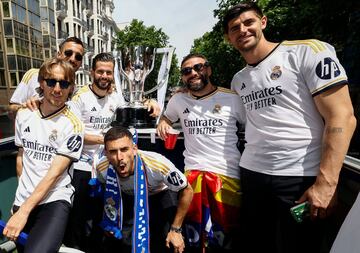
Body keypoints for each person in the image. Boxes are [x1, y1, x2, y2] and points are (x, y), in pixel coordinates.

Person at [223, 2, 357, 253]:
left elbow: (343, 117)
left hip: (299, 179)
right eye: (234, 28)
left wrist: (326, 184)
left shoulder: (307, 51)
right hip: (253, 176)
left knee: (300, 246)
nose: (242, 30)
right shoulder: (238, 79)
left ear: (263, 22)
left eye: (248, 22)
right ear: (229, 37)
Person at [64, 52, 160, 252]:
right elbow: (74, 134)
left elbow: (133, 109)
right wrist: (104, 141)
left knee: (108, 211)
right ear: (92, 72)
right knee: (82, 213)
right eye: (100, 71)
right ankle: (77, 246)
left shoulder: (115, 97)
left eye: (109, 72)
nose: (104, 76)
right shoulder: (79, 97)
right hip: (84, 163)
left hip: (110, 162)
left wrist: (150, 102)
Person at [157, 53, 245, 252]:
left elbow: (252, 126)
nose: (193, 73)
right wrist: (163, 121)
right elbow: (167, 117)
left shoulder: (232, 98)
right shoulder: (178, 100)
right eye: (187, 71)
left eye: (199, 67)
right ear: (183, 77)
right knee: (194, 239)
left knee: (226, 239)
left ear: (209, 69)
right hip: (192, 177)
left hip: (227, 176)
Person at [2, 57, 84, 253]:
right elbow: (21, 157)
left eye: (64, 83)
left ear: (71, 88)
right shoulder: (24, 114)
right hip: (24, 198)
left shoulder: (73, 124)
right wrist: (19, 199)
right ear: (41, 83)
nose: (57, 89)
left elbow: (53, 175)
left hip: (53, 200)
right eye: (51, 82)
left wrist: (23, 212)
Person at [95, 126, 193, 253]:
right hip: (128, 199)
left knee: (167, 242)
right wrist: (109, 219)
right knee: (121, 242)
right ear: (106, 154)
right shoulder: (102, 168)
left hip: (160, 197)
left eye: (124, 149)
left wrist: (176, 229)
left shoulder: (157, 164)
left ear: (135, 149)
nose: (119, 157)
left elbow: (187, 190)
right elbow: (103, 192)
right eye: (113, 151)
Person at [9, 37, 84, 113]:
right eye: (68, 53)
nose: (73, 59)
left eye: (78, 57)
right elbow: (11, 108)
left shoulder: (78, 92)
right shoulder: (33, 75)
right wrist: (26, 107)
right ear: (59, 54)